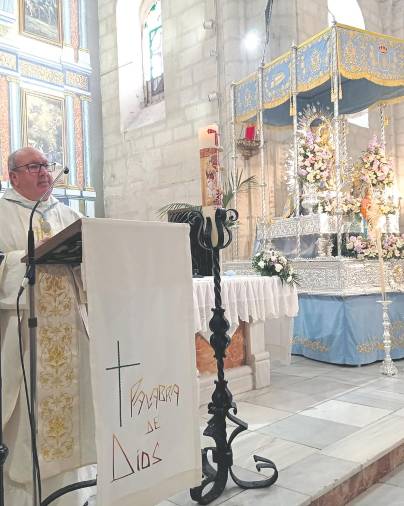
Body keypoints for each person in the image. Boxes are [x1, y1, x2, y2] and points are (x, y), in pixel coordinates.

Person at [0, 147, 96, 505]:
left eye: (47, 166)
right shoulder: (3, 212)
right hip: (23, 335)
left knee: (74, 411)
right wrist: (23, 259)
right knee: (29, 413)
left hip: (70, 331)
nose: (44, 172)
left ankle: (74, 494)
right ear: (13, 176)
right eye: (34, 166)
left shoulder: (69, 215)